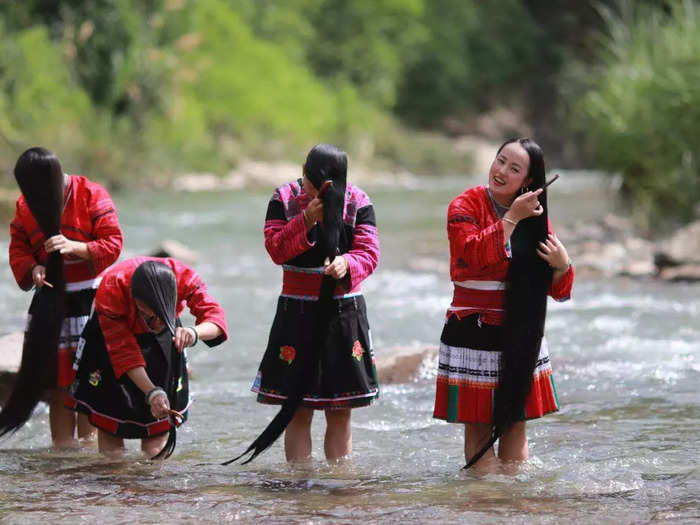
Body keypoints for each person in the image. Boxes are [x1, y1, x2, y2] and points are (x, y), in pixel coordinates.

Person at [433, 138, 574, 473]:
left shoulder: (536, 216)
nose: (501, 171)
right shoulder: (464, 206)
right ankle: (486, 507)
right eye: (500, 161)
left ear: (528, 181)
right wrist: (512, 217)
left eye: (514, 168)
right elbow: (472, 256)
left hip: (522, 331)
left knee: (516, 423)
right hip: (473, 329)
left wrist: (563, 265)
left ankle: (513, 509)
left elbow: (556, 291)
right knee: (479, 428)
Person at [233, 144, 379, 465]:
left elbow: (369, 253)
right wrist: (306, 219)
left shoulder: (358, 201)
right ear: (302, 170)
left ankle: (337, 486)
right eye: (312, 181)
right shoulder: (283, 198)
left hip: (343, 313)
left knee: (340, 411)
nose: (316, 189)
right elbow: (275, 249)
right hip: (296, 312)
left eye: (326, 185)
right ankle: (298, 486)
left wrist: (347, 265)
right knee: (298, 410)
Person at [2, 147, 123, 447]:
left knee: (89, 380)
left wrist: (76, 247)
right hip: (49, 303)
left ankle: (86, 449)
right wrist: (33, 268)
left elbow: (113, 243)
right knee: (57, 385)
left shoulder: (91, 194)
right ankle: (63, 454)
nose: (28, 195)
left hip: (90, 300)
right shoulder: (25, 206)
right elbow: (18, 249)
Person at [66, 257, 228, 458]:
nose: (154, 323)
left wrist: (194, 333)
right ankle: (111, 483)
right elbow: (124, 353)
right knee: (111, 427)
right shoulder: (112, 289)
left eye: (158, 316)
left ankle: (154, 485)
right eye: (146, 315)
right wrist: (152, 392)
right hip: (111, 341)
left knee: (157, 431)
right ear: (133, 300)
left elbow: (216, 319)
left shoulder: (185, 279)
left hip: (164, 339)